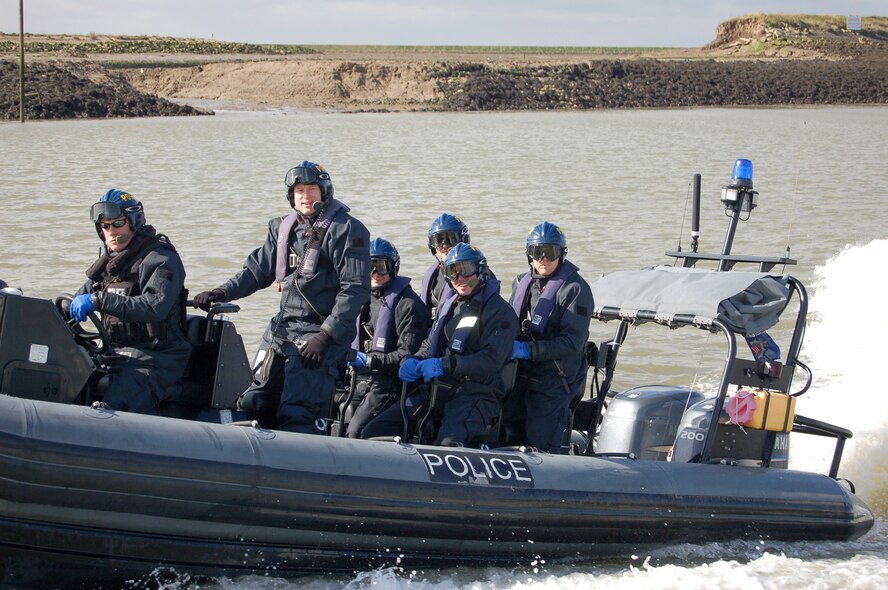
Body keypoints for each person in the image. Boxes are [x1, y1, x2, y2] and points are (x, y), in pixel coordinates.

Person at [193, 161, 371, 434]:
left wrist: (326, 335)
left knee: (297, 410)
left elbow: (355, 290)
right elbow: (256, 271)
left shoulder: (347, 230)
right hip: (282, 330)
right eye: (299, 191)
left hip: (318, 334)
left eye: (311, 189)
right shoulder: (282, 229)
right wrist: (222, 292)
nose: (305, 196)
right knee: (254, 399)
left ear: (324, 191)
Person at [362, 243, 518, 446]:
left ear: (480, 270)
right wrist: (413, 359)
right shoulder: (449, 305)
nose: (460, 278)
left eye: (466, 270)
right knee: (374, 430)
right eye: (453, 272)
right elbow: (429, 344)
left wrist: (444, 365)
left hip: (476, 394)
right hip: (439, 389)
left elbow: (491, 360)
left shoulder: (500, 312)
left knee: (447, 443)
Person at [69, 189, 190, 413]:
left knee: (110, 408)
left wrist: (100, 300)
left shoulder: (162, 259)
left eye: (117, 224)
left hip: (157, 358)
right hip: (115, 354)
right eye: (105, 226)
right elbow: (75, 300)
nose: (111, 231)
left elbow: (154, 306)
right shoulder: (110, 265)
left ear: (133, 222)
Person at [504, 221, 593, 453]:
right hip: (520, 374)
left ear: (561, 254)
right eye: (538, 252)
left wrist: (529, 350)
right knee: (503, 426)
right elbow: (507, 324)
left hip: (555, 380)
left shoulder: (575, 290)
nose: (543, 259)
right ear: (529, 255)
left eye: (550, 252)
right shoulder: (521, 283)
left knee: (540, 439)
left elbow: (572, 342)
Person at [344, 237, 430, 438]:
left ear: (393, 269)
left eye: (381, 267)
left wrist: (370, 360)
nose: (375, 274)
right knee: (331, 411)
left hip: (389, 382)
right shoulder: (359, 297)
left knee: (356, 430)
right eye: (370, 267)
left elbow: (408, 354)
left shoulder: (409, 305)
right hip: (358, 377)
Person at [419, 213, 470, 318]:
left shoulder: (475, 272)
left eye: (450, 239)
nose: (444, 246)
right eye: (438, 241)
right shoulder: (432, 274)